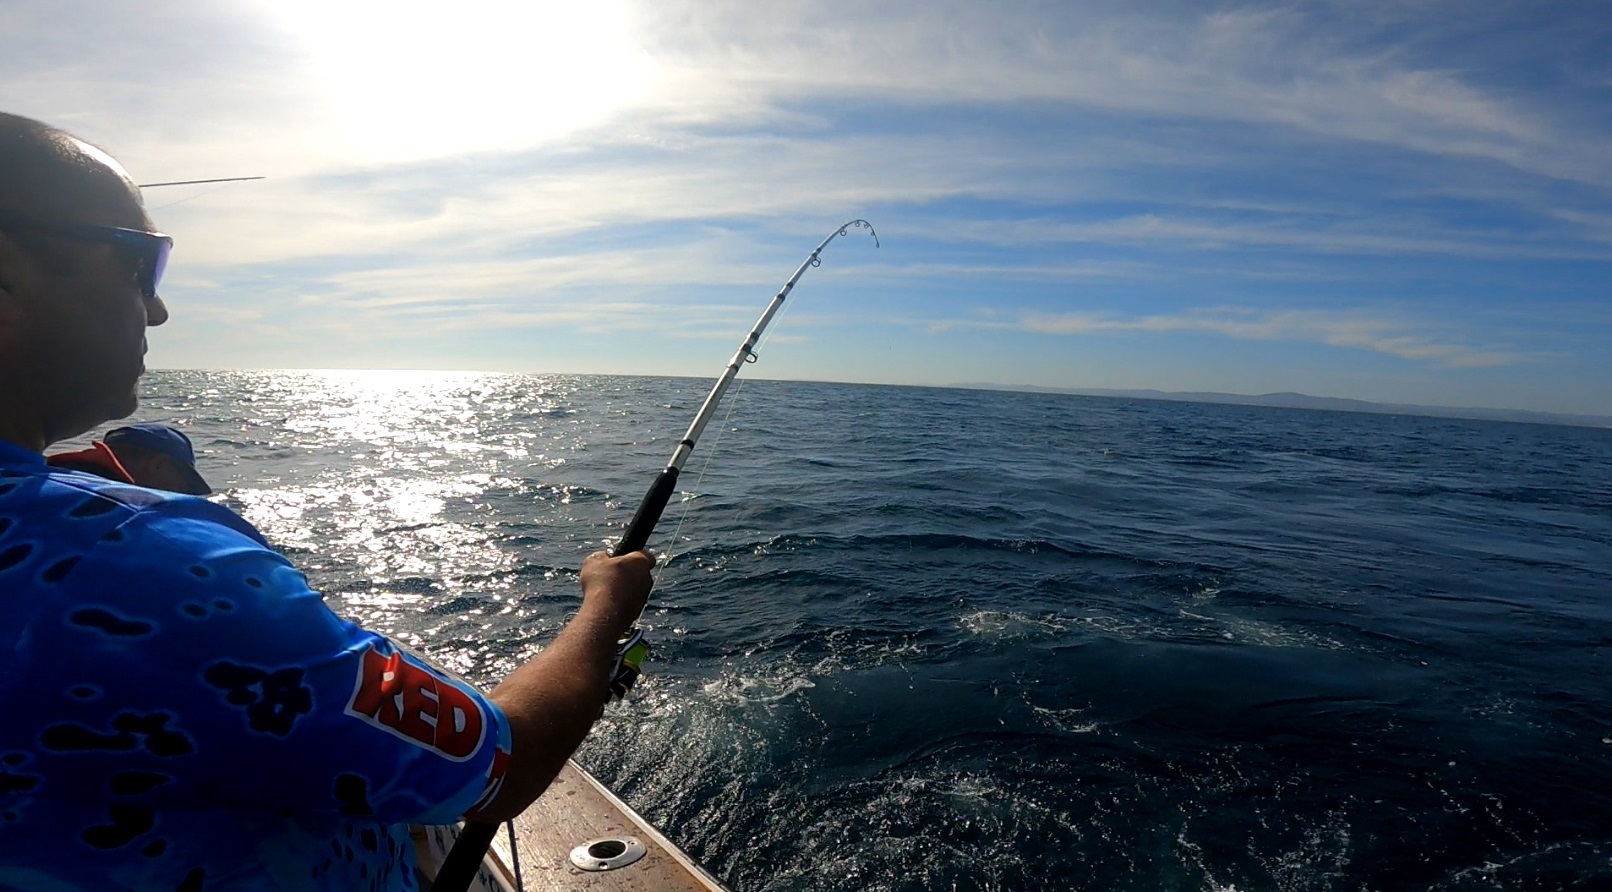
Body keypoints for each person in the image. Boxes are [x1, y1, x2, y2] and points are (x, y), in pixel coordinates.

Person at [0, 112, 653, 890]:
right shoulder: (137, 568)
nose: (157, 309)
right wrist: (605, 606)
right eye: (139, 263)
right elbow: (502, 763)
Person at [47, 422, 213, 494]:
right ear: (158, 466)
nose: (182, 494)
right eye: (182, 486)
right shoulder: (128, 515)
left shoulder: (49, 477)